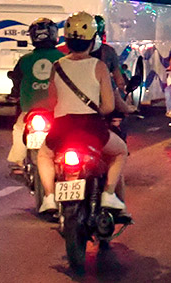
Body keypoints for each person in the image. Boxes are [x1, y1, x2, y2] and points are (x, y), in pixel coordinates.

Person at [37, 11, 129, 214]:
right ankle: (108, 194)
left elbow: (52, 101)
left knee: (44, 155)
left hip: (61, 129)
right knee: (120, 151)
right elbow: (108, 106)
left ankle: (49, 197)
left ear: (67, 40)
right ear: (93, 41)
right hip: (92, 128)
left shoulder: (57, 65)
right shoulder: (99, 66)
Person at [6, 17, 63, 170]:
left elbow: (16, 81)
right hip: (57, 111)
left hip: (29, 111)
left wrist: (14, 94)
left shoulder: (25, 60)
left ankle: (18, 160)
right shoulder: (63, 59)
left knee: (19, 129)